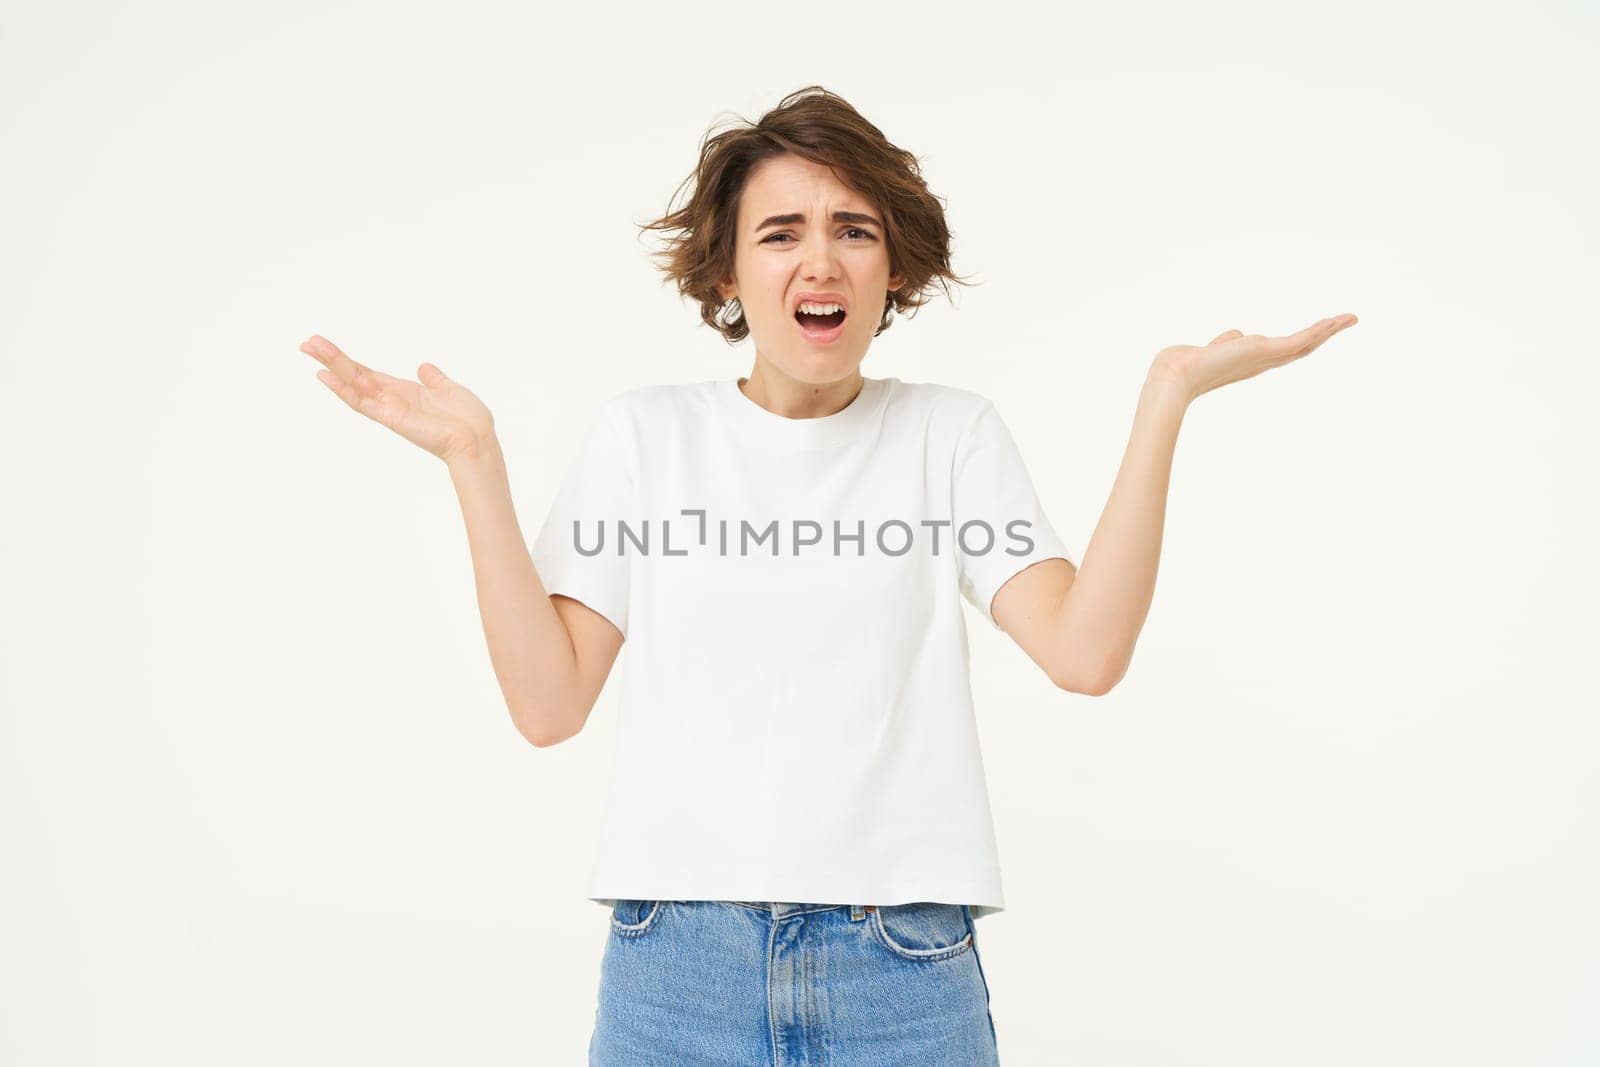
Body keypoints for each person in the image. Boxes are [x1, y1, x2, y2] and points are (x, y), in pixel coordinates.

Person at [300, 85, 1357, 1065]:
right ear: (727, 274)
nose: (822, 261)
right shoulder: (646, 437)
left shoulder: (948, 435)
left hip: (901, 971)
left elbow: (1084, 652)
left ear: (893, 269)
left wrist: (1165, 398)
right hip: (677, 967)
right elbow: (547, 702)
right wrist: (473, 462)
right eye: (780, 233)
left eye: (855, 230)